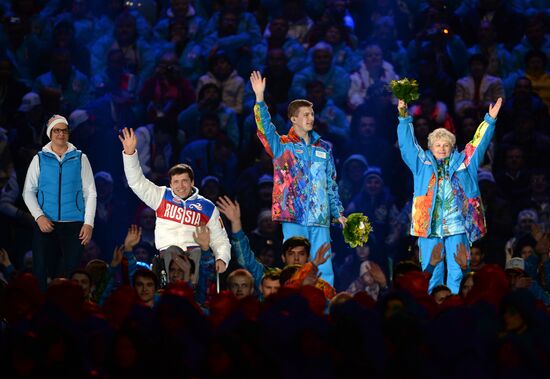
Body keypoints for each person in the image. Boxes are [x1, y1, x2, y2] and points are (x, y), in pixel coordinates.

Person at [396, 97, 502, 294]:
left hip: (459, 225)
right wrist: (404, 118)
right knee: (431, 273)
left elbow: (479, 143)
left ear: (453, 147)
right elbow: (407, 146)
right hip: (429, 227)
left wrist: (489, 120)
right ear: (430, 148)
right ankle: (432, 309)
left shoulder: (465, 162)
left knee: (458, 272)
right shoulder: (422, 164)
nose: (442, 148)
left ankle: (457, 307)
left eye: (446, 145)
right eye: (438, 145)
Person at [250, 71, 346, 286]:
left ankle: (326, 309)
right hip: (292, 215)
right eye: (305, 115)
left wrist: (338, 213)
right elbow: (265, 130)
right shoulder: (282, 146)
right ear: (293, 119)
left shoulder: (324, 149)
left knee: (324, 268)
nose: (310, 118)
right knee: (295, 266)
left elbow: (331, 184)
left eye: (312, 114)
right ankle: (294, 305)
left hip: (320, 217)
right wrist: (259, 99)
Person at [118, 127, 230, 275]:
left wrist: (222, 259)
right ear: (170, 184)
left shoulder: (207, 207)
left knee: (198, 256)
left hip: (195, 260)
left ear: (192, 182)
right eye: (176, 182)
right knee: (169, 254)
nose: (180, 186)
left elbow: (220, 239)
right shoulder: (161, 196)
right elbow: (136, 183)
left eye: (184, 181)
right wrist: (130, 154)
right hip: (166, 261)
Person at [23, 115, 97, 291]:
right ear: (50, 133)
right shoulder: (39, 159)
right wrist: (39, 216)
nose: (61, 134)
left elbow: (91, 192)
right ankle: (41, 312)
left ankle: (71, 312)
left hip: (74, 225)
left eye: (64, 130)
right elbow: (28, 191)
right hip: (45, 224)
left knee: (71, 273)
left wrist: (88, 223)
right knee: (40, 272)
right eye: (57, 130)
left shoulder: (80, 158)